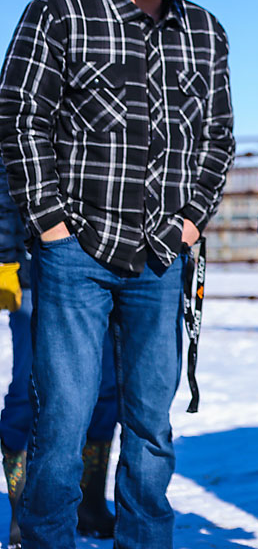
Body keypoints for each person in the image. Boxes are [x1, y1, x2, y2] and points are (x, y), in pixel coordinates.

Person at [0, 0, 234, 548]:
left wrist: (189, 223)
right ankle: (45, 538)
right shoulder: (59, 13)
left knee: (151, 423)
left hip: (161, 257)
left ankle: (145, 541)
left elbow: (217, 140)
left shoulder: (205, 31)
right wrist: (50, 226)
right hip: (74, 253)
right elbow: (20, 118)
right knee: (65, 417)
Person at [0, 166, 121, 547]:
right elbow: (7, 184)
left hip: (100, 265)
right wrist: (5, 259)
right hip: (32, 265)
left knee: (105, 387)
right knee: (30, 387)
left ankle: (88, 503)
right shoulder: (24, 107)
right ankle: (25, 507)